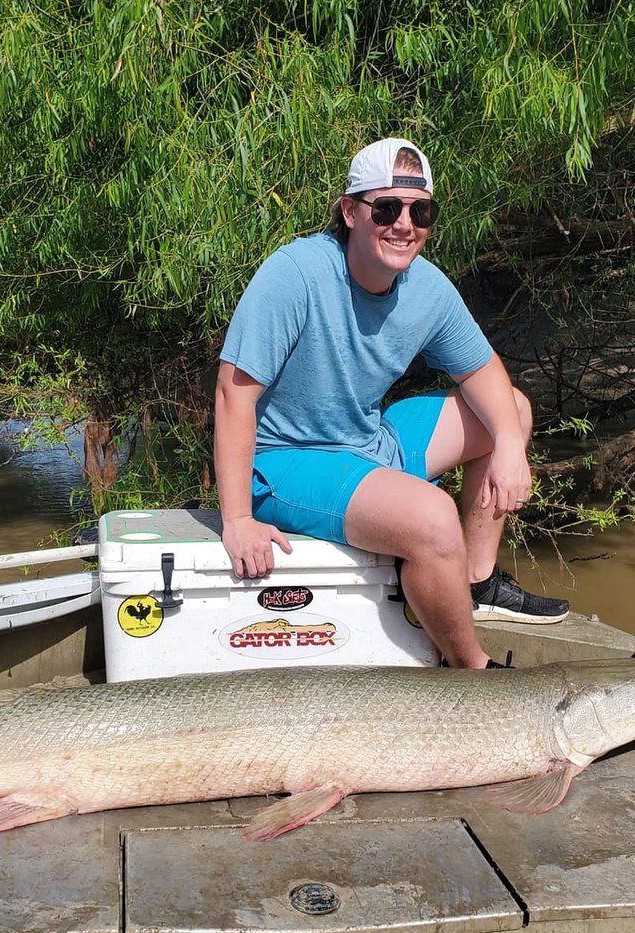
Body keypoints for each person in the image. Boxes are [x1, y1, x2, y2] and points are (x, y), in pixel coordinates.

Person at [214, 137, 569, 670]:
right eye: (387, 208)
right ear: (351, 212)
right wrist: (237, 518)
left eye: (419, 210)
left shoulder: (426, 287)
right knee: (432, 517)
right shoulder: (295, 274)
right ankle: (469, 668)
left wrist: (512, 447)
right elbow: (232, 394)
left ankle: (476, 582)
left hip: (367, 438)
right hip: (286, 459)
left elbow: (482, 370)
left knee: (510, 412)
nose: (404, 224)